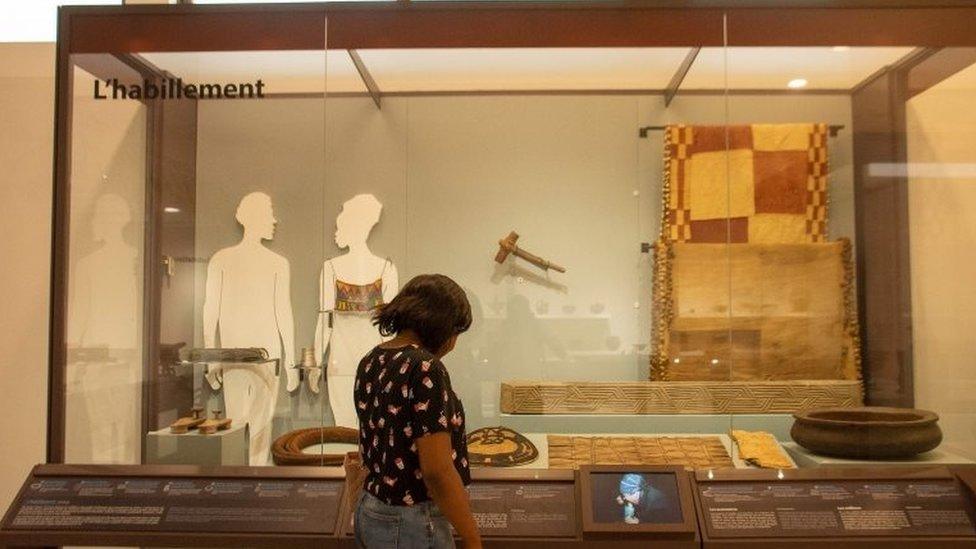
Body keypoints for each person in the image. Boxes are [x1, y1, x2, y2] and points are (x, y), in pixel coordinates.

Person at [353, 274, 481, 549]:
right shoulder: (425, 367)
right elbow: (436, 471)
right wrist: (472, 540)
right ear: (441, 324)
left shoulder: (371, 360)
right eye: (456, 331)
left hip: (371, 509)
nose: (454, 342)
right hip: (412, 522)